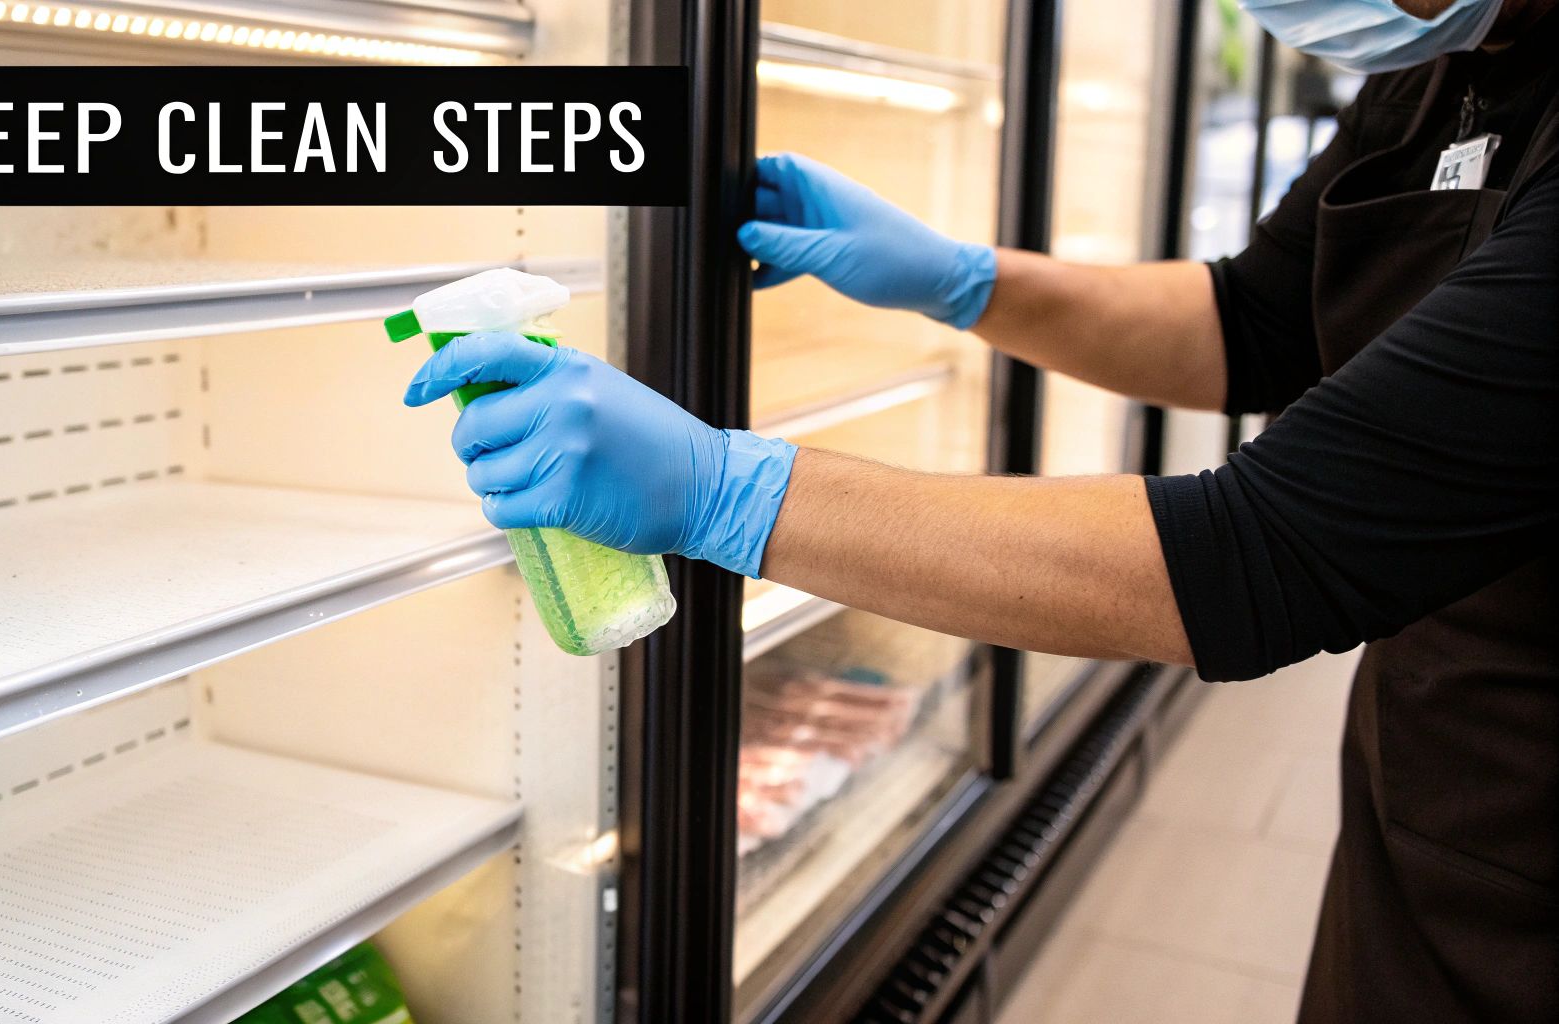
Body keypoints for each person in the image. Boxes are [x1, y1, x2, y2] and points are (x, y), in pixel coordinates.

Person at [402, 1, 1558, 1020]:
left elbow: (1263, 550)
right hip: (1426, 771)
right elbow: (1257, 322)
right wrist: (966, 278)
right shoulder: (1433, 69)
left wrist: (722, 490)